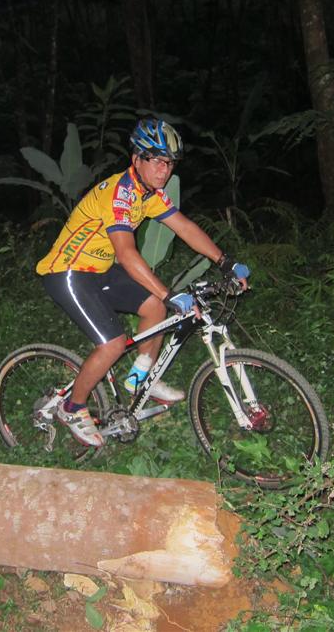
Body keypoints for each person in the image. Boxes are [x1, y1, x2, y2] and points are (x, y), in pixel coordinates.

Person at [35, 118, 249, 447]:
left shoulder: (149, 194)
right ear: (137, 159)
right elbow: (126, 253)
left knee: (154, 308)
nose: (165, 170)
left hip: (99, 269)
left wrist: (225, 262)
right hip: (67, 271)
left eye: (170, 163)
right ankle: (72, 407)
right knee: (113, 343)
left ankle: (138, 380)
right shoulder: (119, 193)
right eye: (158, 161)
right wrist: (168, 293)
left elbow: (184, 227)